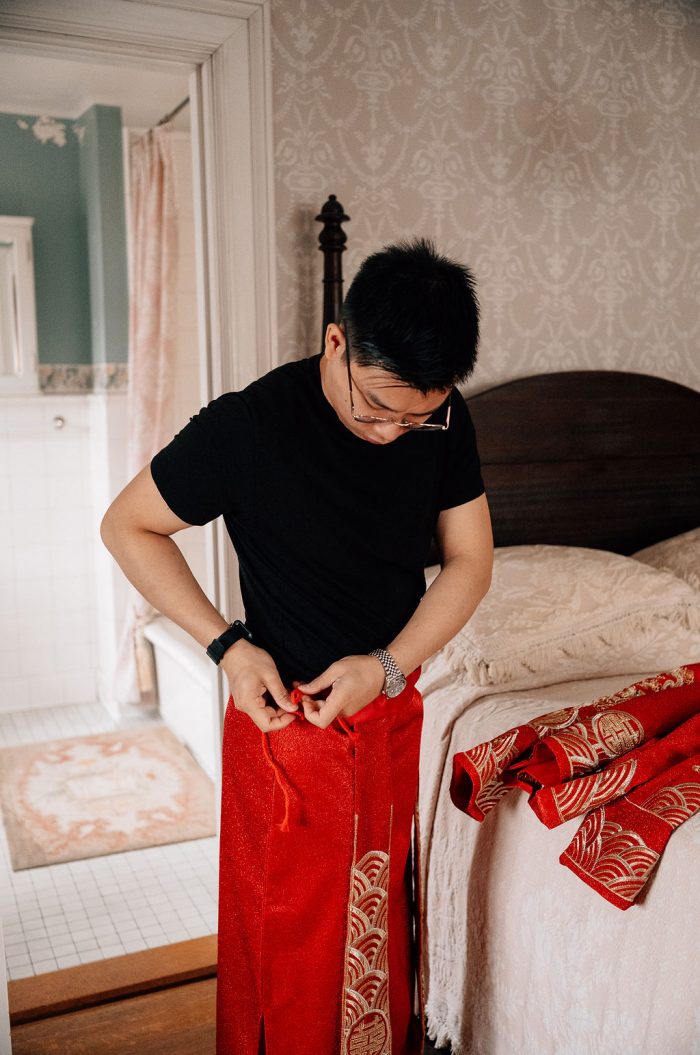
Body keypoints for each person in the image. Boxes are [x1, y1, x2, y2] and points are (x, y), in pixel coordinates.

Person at [100, 236, 493, 1055]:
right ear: (336, 342)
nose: (394, 432)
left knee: (375, 934)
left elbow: (470, 562)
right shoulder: (251, 425)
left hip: (386, 714)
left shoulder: (441, 421)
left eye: (417, 416)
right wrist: (228, 647)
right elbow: (128, 526)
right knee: (281, 951)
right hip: (285, 729)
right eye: (376, 408)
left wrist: (385, 668)